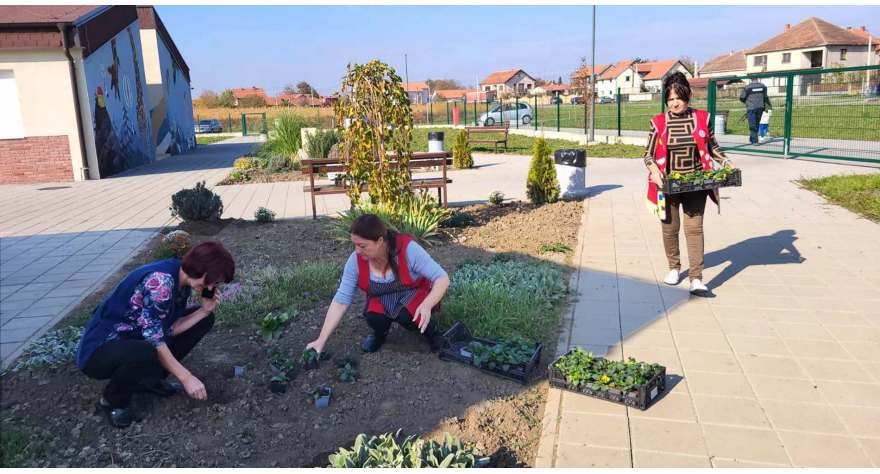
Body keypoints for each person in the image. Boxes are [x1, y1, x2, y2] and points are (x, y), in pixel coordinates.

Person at [76, 241, 235, 428]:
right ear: (201, 268)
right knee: (146, 351)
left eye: (216, 284)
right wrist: (186, 377)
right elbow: (154, 339)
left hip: (135, 340)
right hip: (99, 350)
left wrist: (204, 311)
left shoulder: (181, 282)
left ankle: (148, 381)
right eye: (212, 280)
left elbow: (167, 328)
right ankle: (113, 401)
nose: (211, 287)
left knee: (203, 321)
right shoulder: (161, 283)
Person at [307, 214, 449, 355]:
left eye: (362, 245)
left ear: (380, 240)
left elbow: (442, 278)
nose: (357, 250)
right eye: (355, 245)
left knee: (408, 317)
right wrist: (321, 339)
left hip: (414, 292)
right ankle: (379, 334)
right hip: (383, 297)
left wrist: (427, 304)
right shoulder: (355, 262)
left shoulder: (407, 250)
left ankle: (433, 333)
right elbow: (341, 301)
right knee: (373, 316)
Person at [644, 72, 734, 294]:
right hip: (668, 184)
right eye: (671, 99)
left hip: (696, 182)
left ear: (689, 95)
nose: (675, 103)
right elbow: (648, 155)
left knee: (694, 229)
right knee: (670, 228)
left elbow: (713, 147)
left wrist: (726, 162)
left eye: (679, 98)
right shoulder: (658, 123)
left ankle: (696, 277)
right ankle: (674, 268)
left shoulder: (703, 118)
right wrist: (654, 170)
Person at [739, 78, 773, 145]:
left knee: (752, 124)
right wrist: (768, 106)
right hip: (760, 107)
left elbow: (741, 98)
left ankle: (755, 141)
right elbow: (766, 97)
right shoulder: (763, 86)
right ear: (757, 78)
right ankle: (752, 139)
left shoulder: (747, 87)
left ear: (750, 79)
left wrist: (747, 102)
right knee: (757, 123)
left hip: (751, 108)